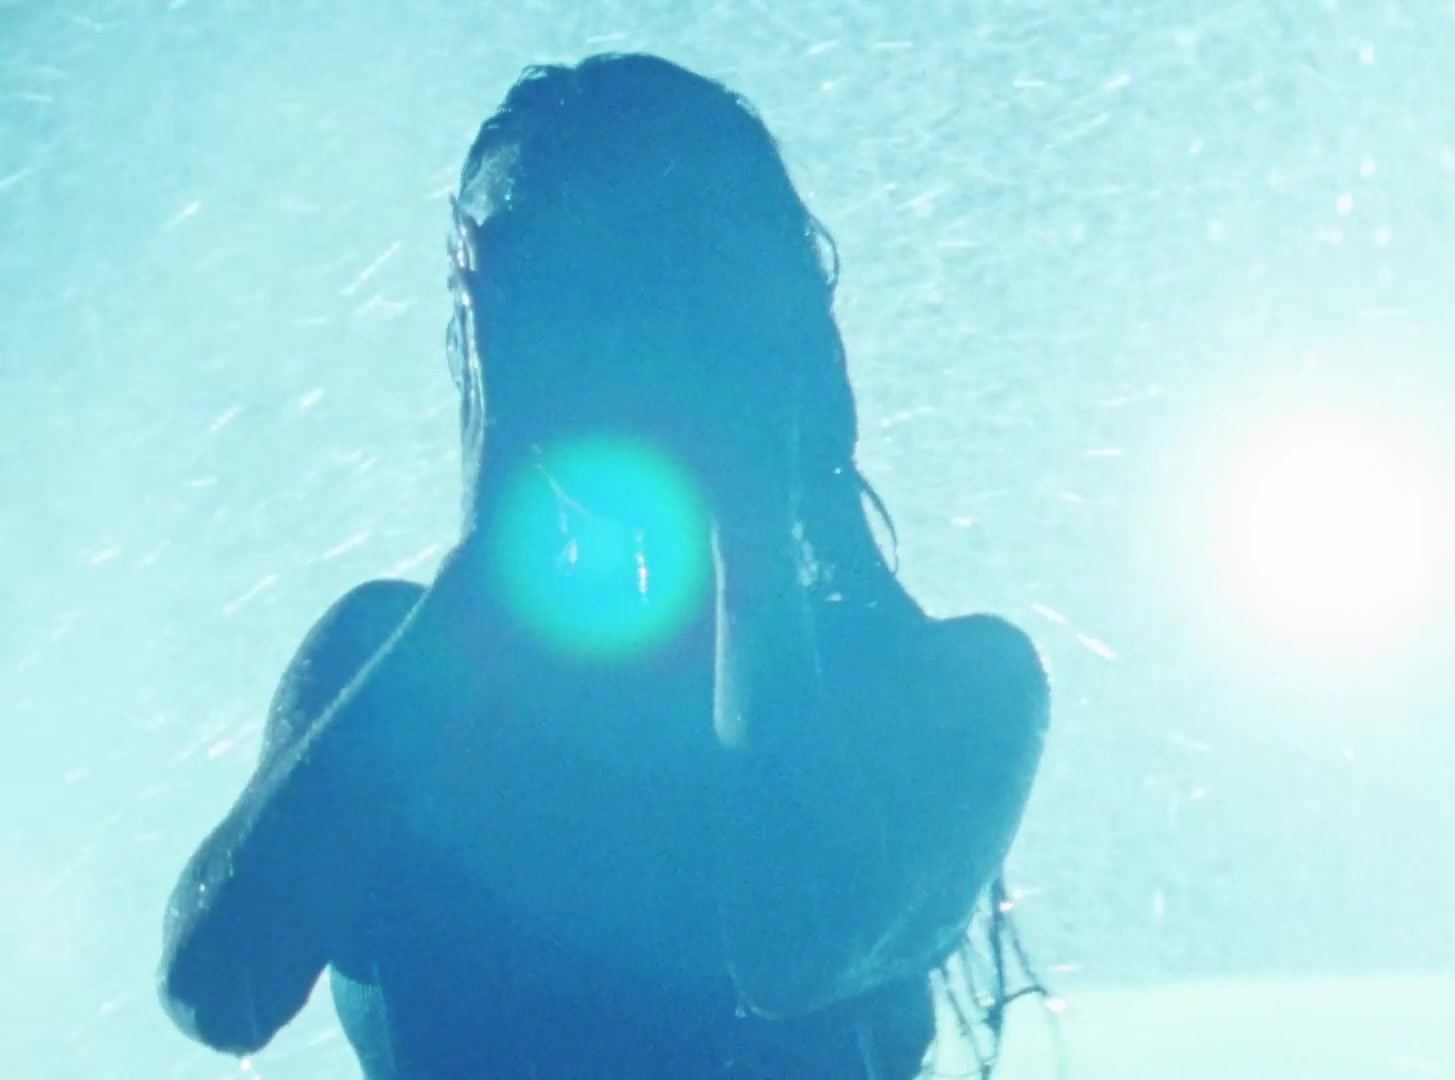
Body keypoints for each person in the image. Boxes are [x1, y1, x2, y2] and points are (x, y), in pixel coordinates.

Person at [157, 53, 1050, 1078]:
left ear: (754, 312)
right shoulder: (391, 659)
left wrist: (748, 500)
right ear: (480, 327)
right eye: (536, 284)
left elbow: (792, 945)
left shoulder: (948, 688)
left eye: (649, 274)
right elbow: (221, 987)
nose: (600, 340)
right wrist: (487, 564)